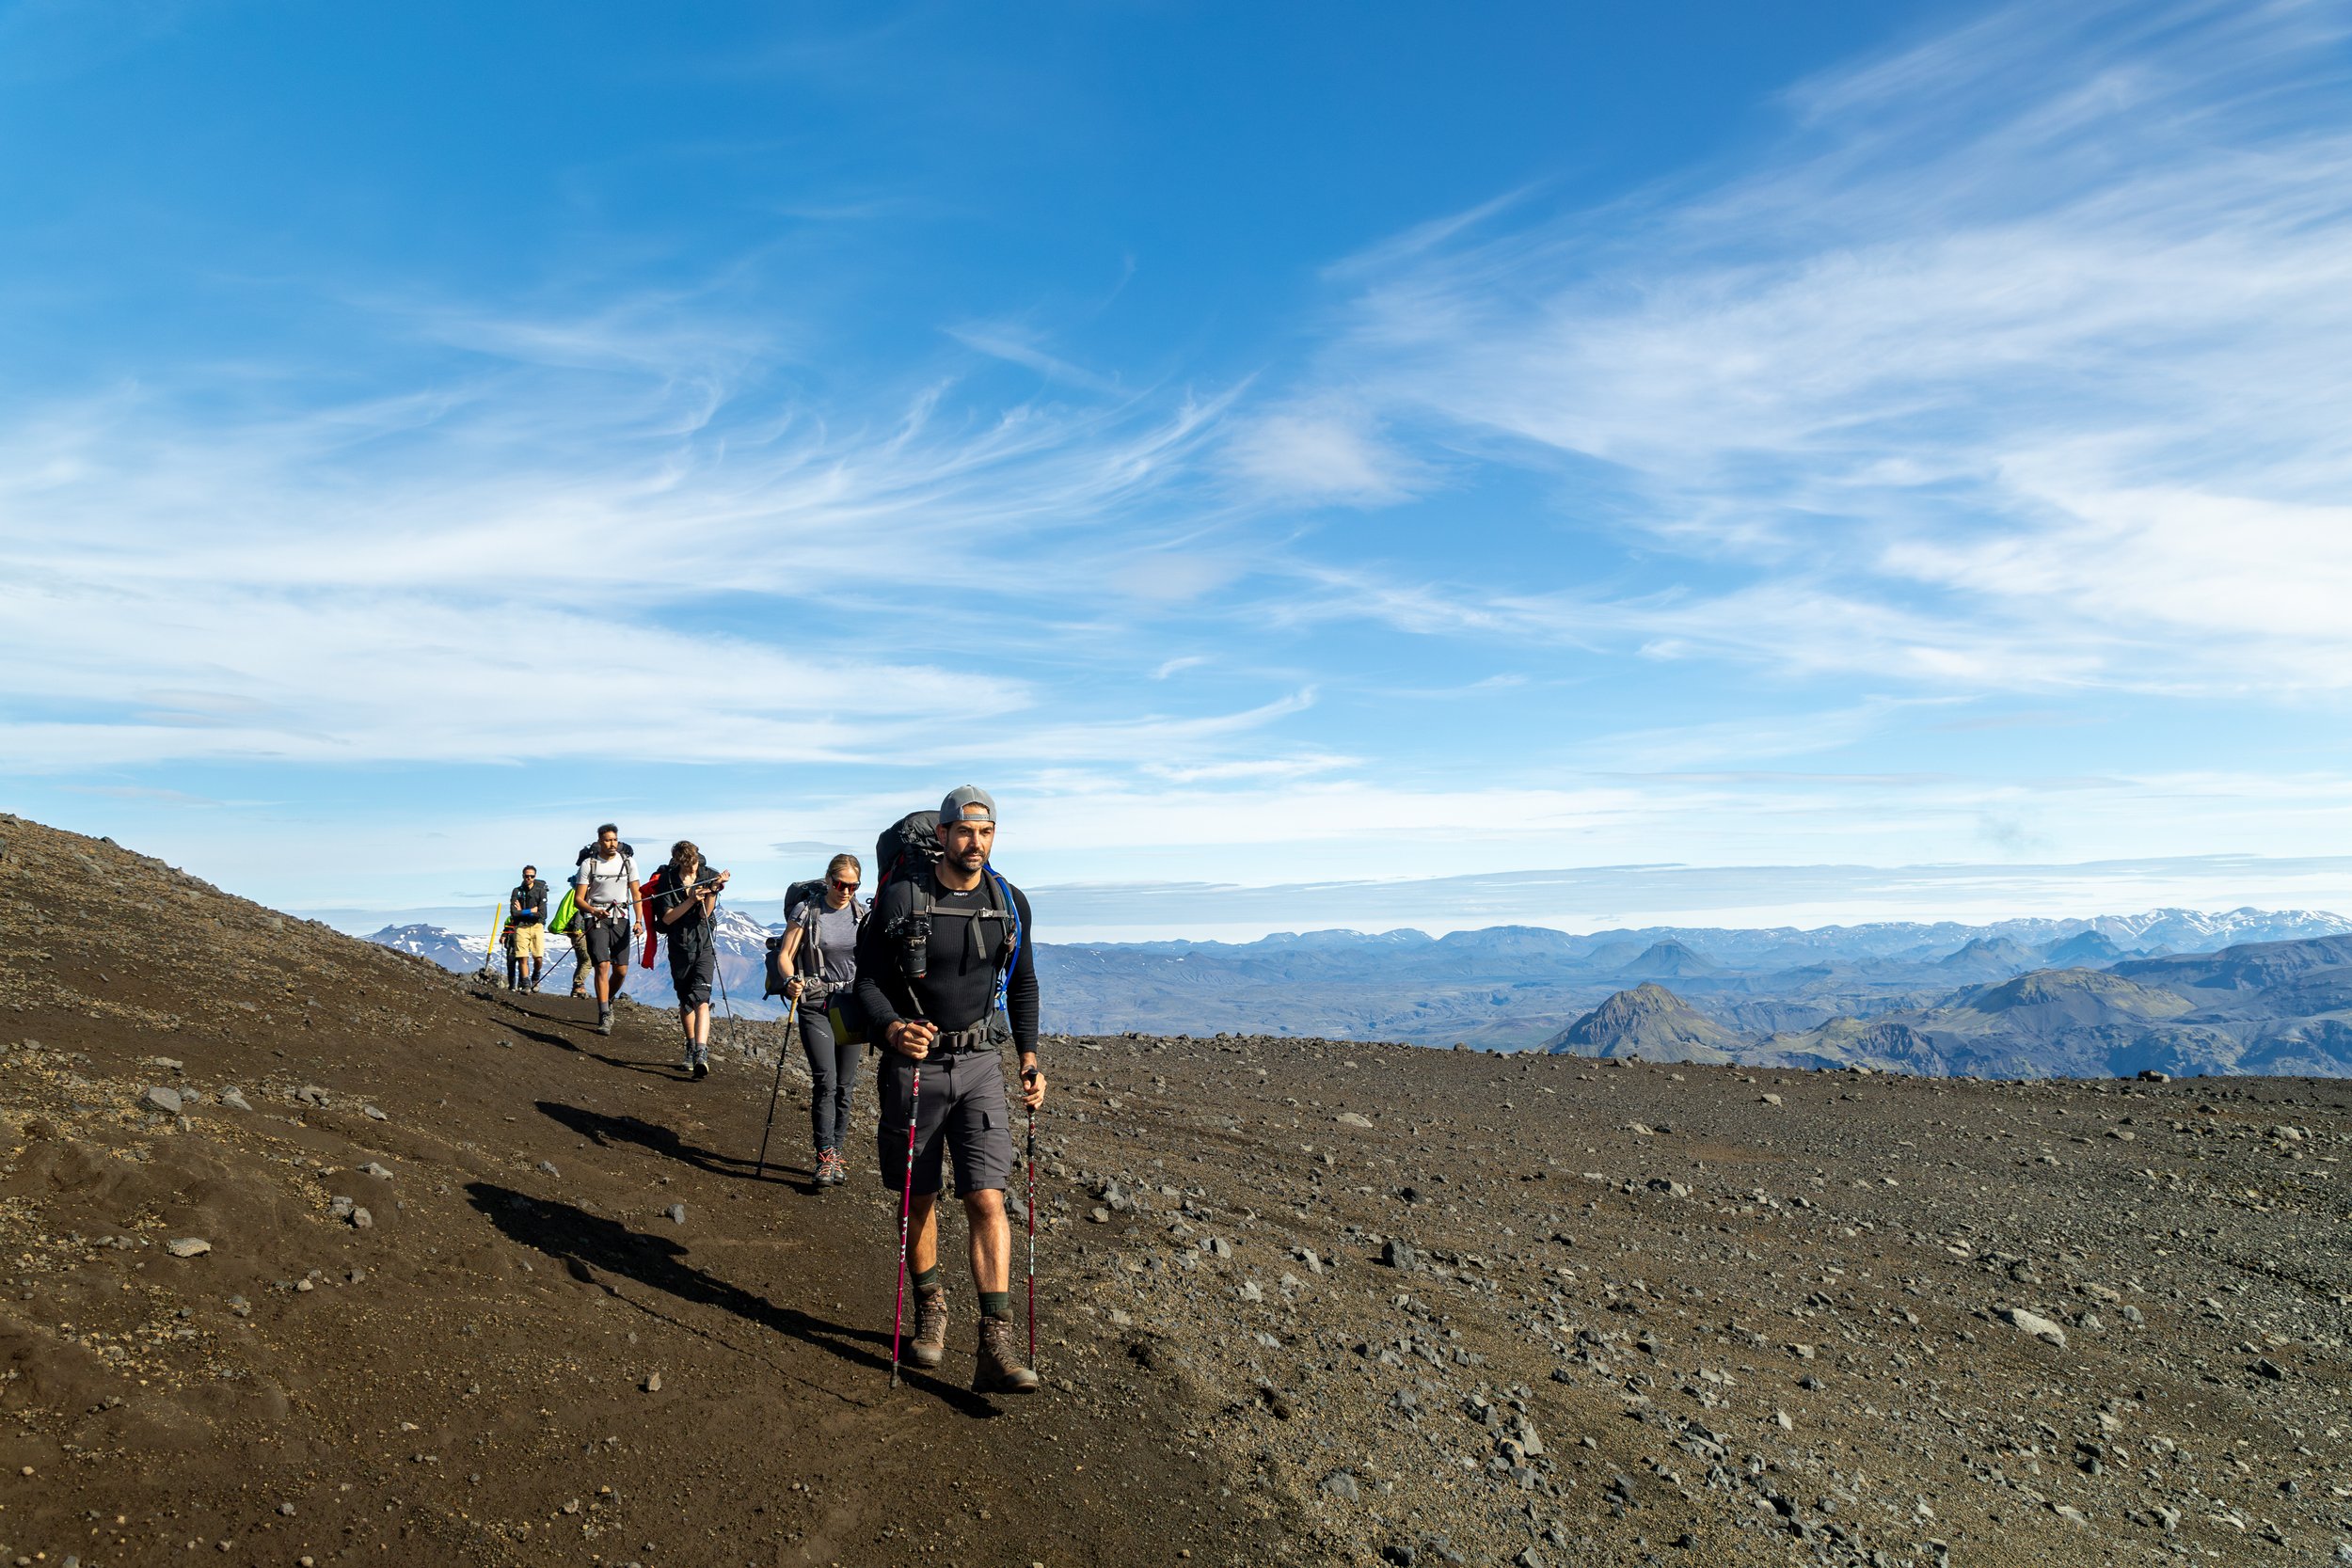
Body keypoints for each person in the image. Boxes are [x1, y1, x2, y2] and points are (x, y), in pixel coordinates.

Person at [854, 785, 1046, 1396]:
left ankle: (996, 1341)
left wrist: (1030, 1057)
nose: (976, 843)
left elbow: (1023, 983)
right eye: (965, 832)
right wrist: (891, 1027)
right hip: (915, 1068)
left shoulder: (1008, 903)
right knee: (919, 1197)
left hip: (982, 1065)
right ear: (941, 834)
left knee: (988, 1199)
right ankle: (931, 1308)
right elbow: (864, 985)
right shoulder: (900, 900)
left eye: (986, 833)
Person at [778, 853, 866, 1185]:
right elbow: (786, 955)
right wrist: (790, 980)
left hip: (853, 1006)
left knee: (845, 1085)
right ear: (828, 880)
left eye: (853, 886)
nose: (846, 891)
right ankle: (825, 1156)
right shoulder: (808, 911)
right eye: (841, 884)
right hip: (816, 1003)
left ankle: (837, 1156)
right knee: (826, 1081)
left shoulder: (863, 915)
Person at [652, 840, 729, 1078]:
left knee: (702, 998)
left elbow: (706, 913)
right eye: (688, 868)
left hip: (704, 943)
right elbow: (666, 919)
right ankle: (691, 1043)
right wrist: (690, 900)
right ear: (678, 863)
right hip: (679, 946)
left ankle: (701, 1053)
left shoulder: (708, 875)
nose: (693, 871)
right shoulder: (666, 881)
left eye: (695, 865)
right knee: (686, 999)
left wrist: (713, 892)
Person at [577, 824, 641, 1037]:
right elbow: (579, 899)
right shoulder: (589, 864)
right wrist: (594, 911)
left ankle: (607, 999)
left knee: (621, 970)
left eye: (614, 840)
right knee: (602, 966)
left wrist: (639, 921)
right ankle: (604, 1012)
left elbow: (636, 893)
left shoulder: (628, 862)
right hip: (596, 918)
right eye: (607, 840)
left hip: (621, 918)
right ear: (599, 841)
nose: (612, 844)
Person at [507, 865, 548, 991]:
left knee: (538, 958)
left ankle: (535, 975)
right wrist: (531, 910)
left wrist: (522, 911)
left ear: (535, 877)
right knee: (522, 957)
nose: (529, 878)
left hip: (537, 926)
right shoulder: (517, 891)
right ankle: (525, 984)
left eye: (531, 876)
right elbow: (514, 913)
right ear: (523, 876)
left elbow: (542, 914)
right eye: (526, 876)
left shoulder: (541, 891)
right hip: (521, 927)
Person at [556, 869, 592, 999]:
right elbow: (579, 912)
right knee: (587, 960)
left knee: (582, 960)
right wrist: (577, 928)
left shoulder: (573, 894)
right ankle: (578, 985)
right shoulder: (582, 895)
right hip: (579, 932)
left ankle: (577, 988)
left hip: (575, 932)